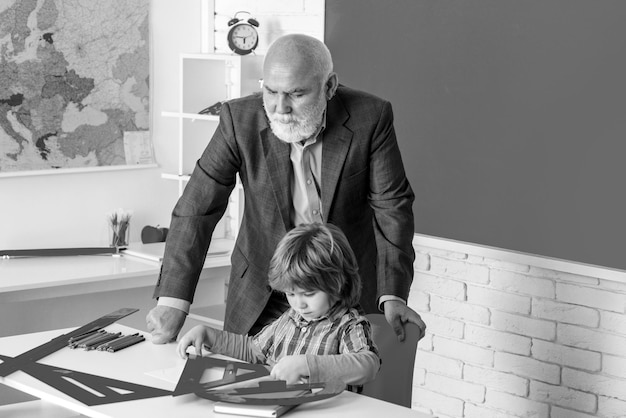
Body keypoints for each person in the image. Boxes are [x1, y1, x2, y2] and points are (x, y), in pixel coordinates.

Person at [147, 33, 426, 344]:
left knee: (339, 387)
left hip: (342, 292)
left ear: (329, 87)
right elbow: (197, 209)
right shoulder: (240, 120)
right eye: (270, 91)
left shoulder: (369, 118)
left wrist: (393, 295)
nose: (281, 108)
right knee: (245, 385)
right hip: (264, 292)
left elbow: (392, 208)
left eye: (296, 94)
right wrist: (173, 302)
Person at [177, 223, 380, 385]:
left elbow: (368, 364)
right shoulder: (290, 318)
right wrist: (208, 335)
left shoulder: (348, 325)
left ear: (339, 283)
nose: (299, 304)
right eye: (291, 293)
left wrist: (306, 365)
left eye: (309, 293)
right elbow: (252, 350)